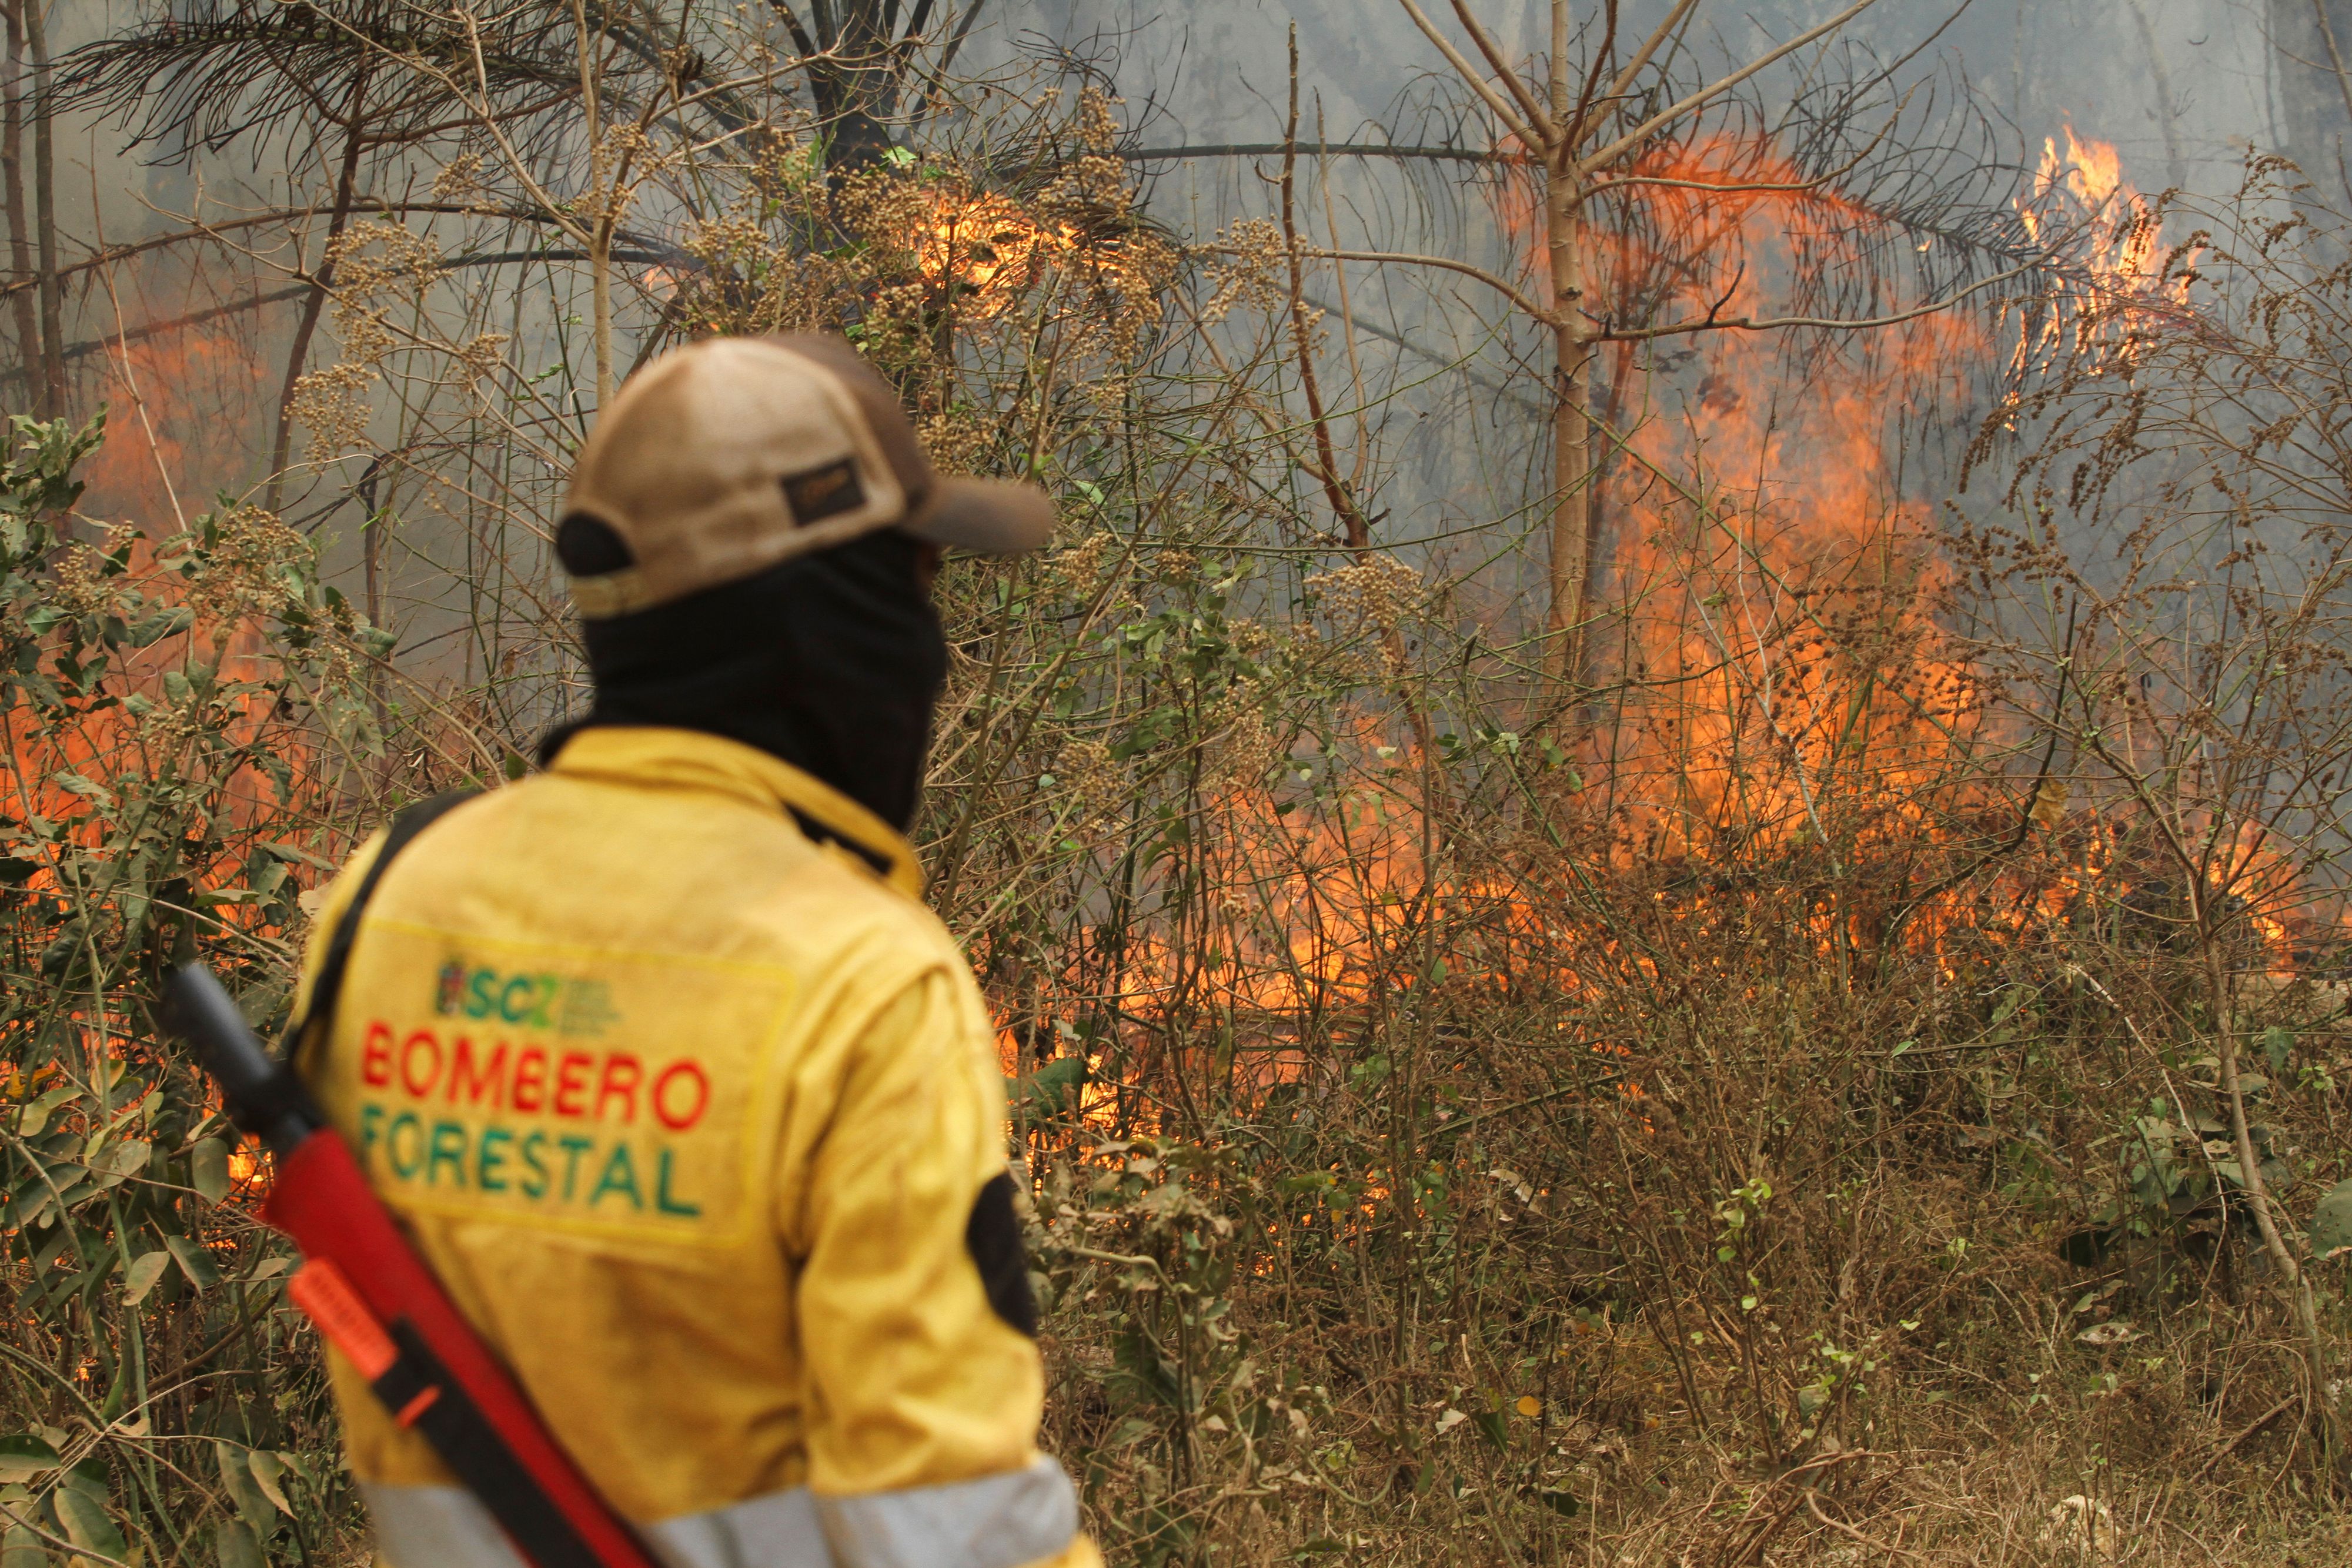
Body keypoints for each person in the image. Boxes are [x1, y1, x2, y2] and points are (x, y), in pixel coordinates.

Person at [289, 334, 1098, 1568]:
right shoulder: (861, 980)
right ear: (836, 621)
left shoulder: (387, 899)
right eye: (916, 592)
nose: (928, 653)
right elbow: (951, 1532)